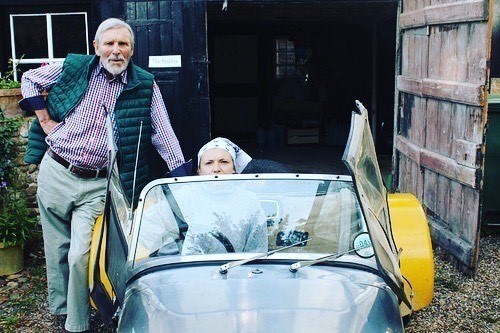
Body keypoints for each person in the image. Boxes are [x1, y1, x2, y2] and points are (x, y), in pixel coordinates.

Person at [19, 18, 185, 333]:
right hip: (56, 170)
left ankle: (76, 324)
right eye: (109, 44)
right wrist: (43, 120)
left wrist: (185, 181)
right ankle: (60, 309)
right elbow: (29, 79)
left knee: (82, 252)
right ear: (96, 47)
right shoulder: (74, 67)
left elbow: (164, 137)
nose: (116, 51)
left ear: (132, 50)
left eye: (123, 44)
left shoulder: (144, 84)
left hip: (98, 182)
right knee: (57, 249)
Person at [139, 137, 267, 257]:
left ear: (234, 169)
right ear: (199, 171)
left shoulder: (248, 200)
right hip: (187, 272)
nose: (216, 169)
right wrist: (176, 252)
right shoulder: (181, 196)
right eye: (209, 163)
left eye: (224, 162)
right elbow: (147, 227)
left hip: (235, 272)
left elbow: (257, 249)